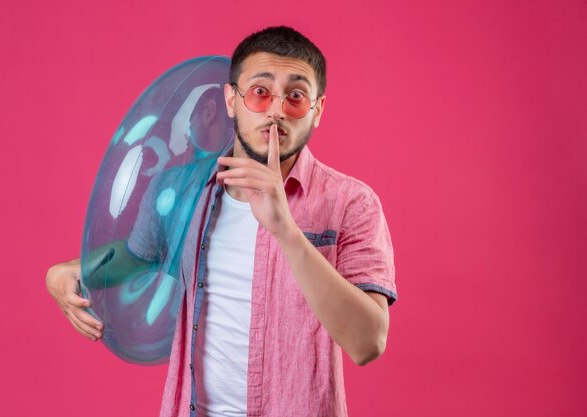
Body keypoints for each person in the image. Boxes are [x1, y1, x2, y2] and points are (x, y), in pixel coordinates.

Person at [46, 26, 397, 417]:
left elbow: (368, 342)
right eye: (260, 92)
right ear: (231, 99)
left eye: (296, 97)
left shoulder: (352, 203)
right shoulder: (180, 190)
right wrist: (68, 270)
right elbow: (133, 257)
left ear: (317, 111)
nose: (277, 110)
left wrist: (286, 230)